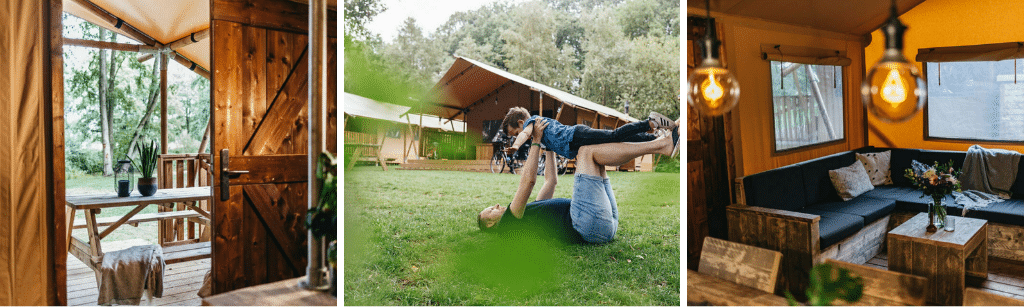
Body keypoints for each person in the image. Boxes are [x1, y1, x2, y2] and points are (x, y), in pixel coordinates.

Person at [477, 118, 677, 243]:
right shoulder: (508, 225)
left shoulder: (529, 216)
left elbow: (550, 182)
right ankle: (661, 145)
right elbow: (528, 182)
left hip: (602, 226)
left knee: (596, 157)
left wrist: (547, 147)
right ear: (490, 225)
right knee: (586, 151)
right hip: (585, 224)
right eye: (490, 210)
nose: (495, 205)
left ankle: (661, 141)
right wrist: (536, 141)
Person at [500, 106, 680, 160]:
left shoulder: (532, 123)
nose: (518, 135)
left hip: (576, 136)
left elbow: (524, 135)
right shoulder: (538, 129)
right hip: (577, 140)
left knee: (614, 136)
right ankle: (653, 137)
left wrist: (516, 146)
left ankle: (650, 122)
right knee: (614, 141)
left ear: (521, 123)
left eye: (514, 132)